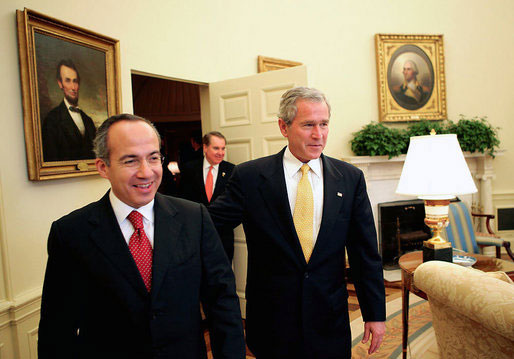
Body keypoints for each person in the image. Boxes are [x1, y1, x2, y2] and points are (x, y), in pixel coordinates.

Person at [38, 114, 245, 359]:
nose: (146, 172)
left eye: (153, 158)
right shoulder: (71, 233)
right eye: (130, 161)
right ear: (103, 167)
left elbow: (221, 301)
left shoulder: (195, 218)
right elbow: (57, 328)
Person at [208, 87, 386, 358]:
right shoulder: (250, 177)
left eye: (324, 124)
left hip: (329, 321)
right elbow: (208, 224)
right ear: (284, 126)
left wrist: (375, 313)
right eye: (308, 125)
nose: (319, 134)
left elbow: (365, 253)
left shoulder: (349, 179)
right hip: (272, 323)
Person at [179, 131, 236, 261]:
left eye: (223, 148)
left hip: (222, 237)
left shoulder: (232, 171)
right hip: (195, 235)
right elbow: (183, 200)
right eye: (216, 148)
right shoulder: (189, 169)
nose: (221, 153)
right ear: (205, 147)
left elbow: (235, 204)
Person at [41, 59, 97, 161]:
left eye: (75, 81)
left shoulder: (88, 121)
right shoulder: (52, 120)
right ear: (60, 84)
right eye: (68, 81)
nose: (73, 87)